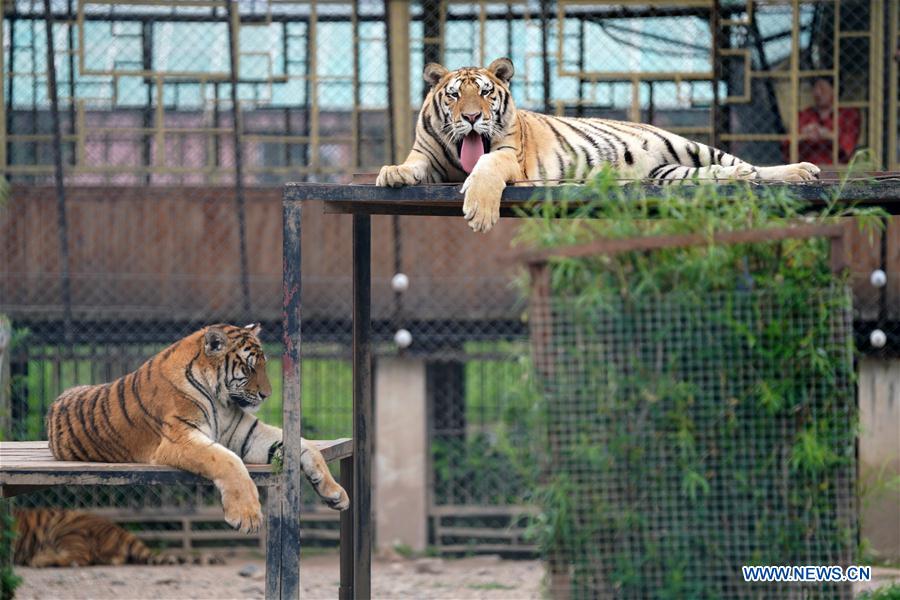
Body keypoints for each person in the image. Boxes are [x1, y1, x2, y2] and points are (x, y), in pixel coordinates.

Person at [784, 77, 860, 165]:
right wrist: (802, 135)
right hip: (806, 170)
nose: (817, 93)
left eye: (822, 89)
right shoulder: (804, 114)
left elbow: (848, 148)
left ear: (835, 90)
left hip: (837, 170)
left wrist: (828, 136)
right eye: (815, 89)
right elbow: (786, 147)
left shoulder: (848, 114)